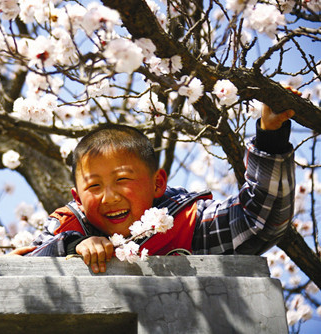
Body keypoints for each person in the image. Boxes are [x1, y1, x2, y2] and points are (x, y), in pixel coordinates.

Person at [27, 105, 296, 274]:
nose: (109, 197)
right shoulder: (67, 226)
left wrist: (271, 138)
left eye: (122, 179)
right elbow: (25, 266)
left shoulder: (187, 223)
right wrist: (73, 245)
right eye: (94, 186)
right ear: (78, 198)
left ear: (158, 183)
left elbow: (258, 221)